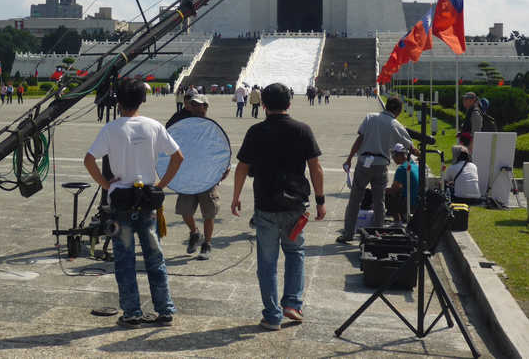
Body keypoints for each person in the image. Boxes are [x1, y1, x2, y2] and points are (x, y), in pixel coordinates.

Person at [83, 79, 183, 328]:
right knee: (154, 257)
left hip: (121, 204)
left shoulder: (111, 129)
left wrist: (107, 185)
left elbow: (89, 160)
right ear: (142, 100)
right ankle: (165, 310)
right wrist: (160, 185)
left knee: (124, 260)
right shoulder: (153, 126)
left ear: (118, 101)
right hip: (148, 202)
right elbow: (178, 157)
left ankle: (132, 312)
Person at [231, 83, 326, 330]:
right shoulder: (303, 130)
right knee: (295, 253)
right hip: (295, 206)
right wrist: (320, 201)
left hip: (266, 206)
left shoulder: (256, 131)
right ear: (290, 103)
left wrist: (236, 196)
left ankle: (272, 315)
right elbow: (315, 168)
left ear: (263, 104)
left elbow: (242, 167)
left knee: (267, 262)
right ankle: (292, 304)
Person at [339, 96, 420, 243]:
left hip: (364, 162)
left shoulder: (370, 117)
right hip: (381, 165)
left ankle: (348, 233)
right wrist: (418, 152)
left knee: (355, 200)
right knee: (379, 201)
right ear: (398, 110)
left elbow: (359, 140)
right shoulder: (395, 124)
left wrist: (349, 158)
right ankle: (377, 234)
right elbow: (410, 147)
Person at [171, 93, 227, 260]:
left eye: (199, 105)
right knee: (184, 210)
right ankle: (195, 232)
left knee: (209, 213)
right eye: (193, 104)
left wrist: (223, 167)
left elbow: (222, 148)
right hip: (188, 175)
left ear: (206, 107)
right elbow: (170, 141)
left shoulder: (213, 126)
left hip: (207, 175)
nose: (196, 108)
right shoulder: (182, 124)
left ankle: (207, 244)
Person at [385, 144, 419, 222]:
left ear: (399, 155)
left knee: (386, 195)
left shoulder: (401, 169)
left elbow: (394, 189)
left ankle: (397, 220)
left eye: (393, 155)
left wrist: (381, 191)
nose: (392, 158)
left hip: (409, 202)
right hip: (417, 201)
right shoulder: (414, 165)